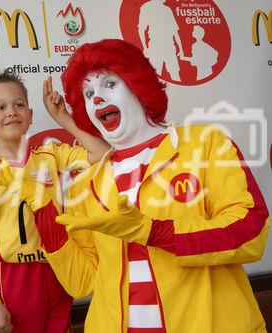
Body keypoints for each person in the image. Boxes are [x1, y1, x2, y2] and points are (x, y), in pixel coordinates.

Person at [39, 39, 270, 332]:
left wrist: (154, 231)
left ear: (138, 85)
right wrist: (52, 237)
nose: (97, 98)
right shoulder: (89, 182)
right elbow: (83, 282)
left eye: (109, 84)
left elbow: (251, 230)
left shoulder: (206, 144)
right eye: (88, 93)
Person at [0, 71, 110, 333]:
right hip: (15, 277)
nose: (11, 112)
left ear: (30, 115)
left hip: (58, 268)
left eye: (18, 105)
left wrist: (62, 118)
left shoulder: (51, 156)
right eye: (1, 107)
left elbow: (103, 153)